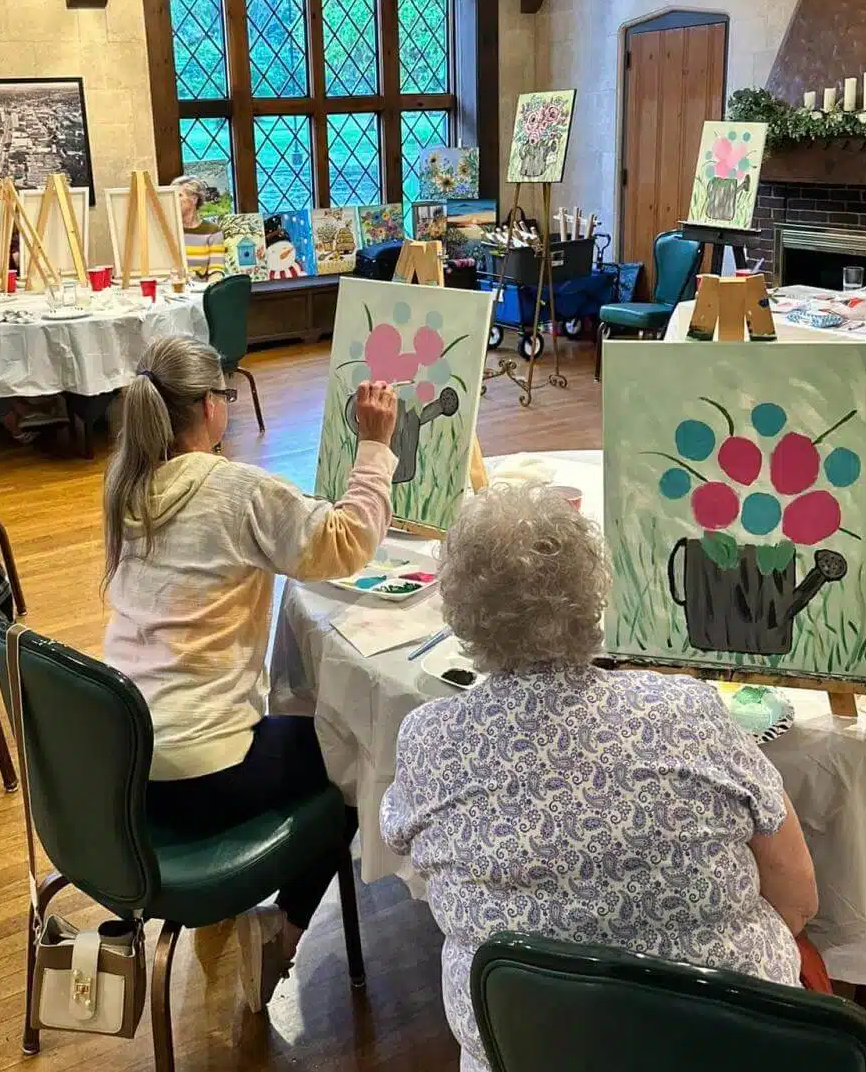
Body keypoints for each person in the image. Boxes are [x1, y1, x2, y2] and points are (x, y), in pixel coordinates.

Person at [380, 482, 819, 1072]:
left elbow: (401, 839)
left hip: (528, 1050)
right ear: (594, 596)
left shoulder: (428, 741)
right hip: (723, 1046)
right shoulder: (689, 709)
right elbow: (797, 894)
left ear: (459, 611)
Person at [102, 334, 398, 1012]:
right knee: (352, 747)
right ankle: (283, 934)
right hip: (198, 769)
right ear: (210, 405)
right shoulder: (235, 490)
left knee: (297, 731)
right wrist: (376, 445)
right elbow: (348, 542)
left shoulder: (126, 482)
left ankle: (245, 921)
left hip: (122, 767)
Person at [175, 177, 226, 280]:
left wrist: (210, 290)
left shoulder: (212, 231)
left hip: (200, 292)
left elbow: (216, 270)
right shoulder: (169, 230)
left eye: (179, 195)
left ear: (194, 199)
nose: (174, 198)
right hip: (172, 291)